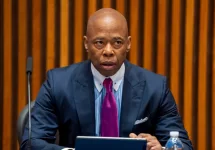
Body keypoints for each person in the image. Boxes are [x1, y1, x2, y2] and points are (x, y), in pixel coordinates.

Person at [21, 8, 193, 150]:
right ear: (86, 43)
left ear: (128, 44)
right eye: (99, 42)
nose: (109, 51)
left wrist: (161, 148)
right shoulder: (58, 83)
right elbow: (31, 142)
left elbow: (183, 145)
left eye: (117, 42)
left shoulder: (155, 87)